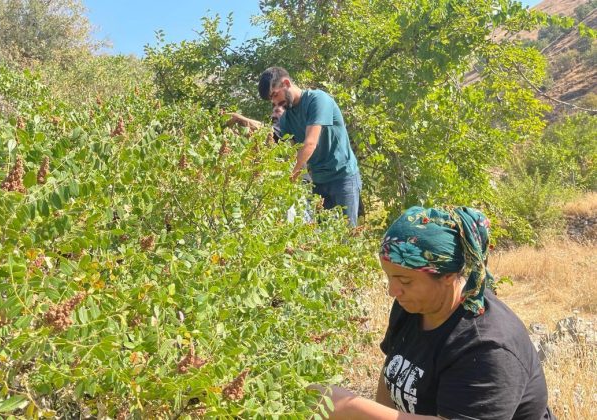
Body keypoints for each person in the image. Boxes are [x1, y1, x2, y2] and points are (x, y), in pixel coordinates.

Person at [310, 206, 553, 419]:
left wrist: (354, 409)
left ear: (447, 277)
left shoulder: (488, 347)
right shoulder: (413, 306)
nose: (392, 291)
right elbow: (391, 373)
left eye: (404, 281)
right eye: (389, 277)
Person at [228, 67, 362, 226]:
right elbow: (269, 133)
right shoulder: (288, 116)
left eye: (275, 95)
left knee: (347, 235)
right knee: (324, 239)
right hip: (318, 181)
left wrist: (291, 177)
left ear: (286, 83)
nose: (275, 102)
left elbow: (310, 143)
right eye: (271, 101)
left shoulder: (318, 100)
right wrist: (241, 120)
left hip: (343, 177)